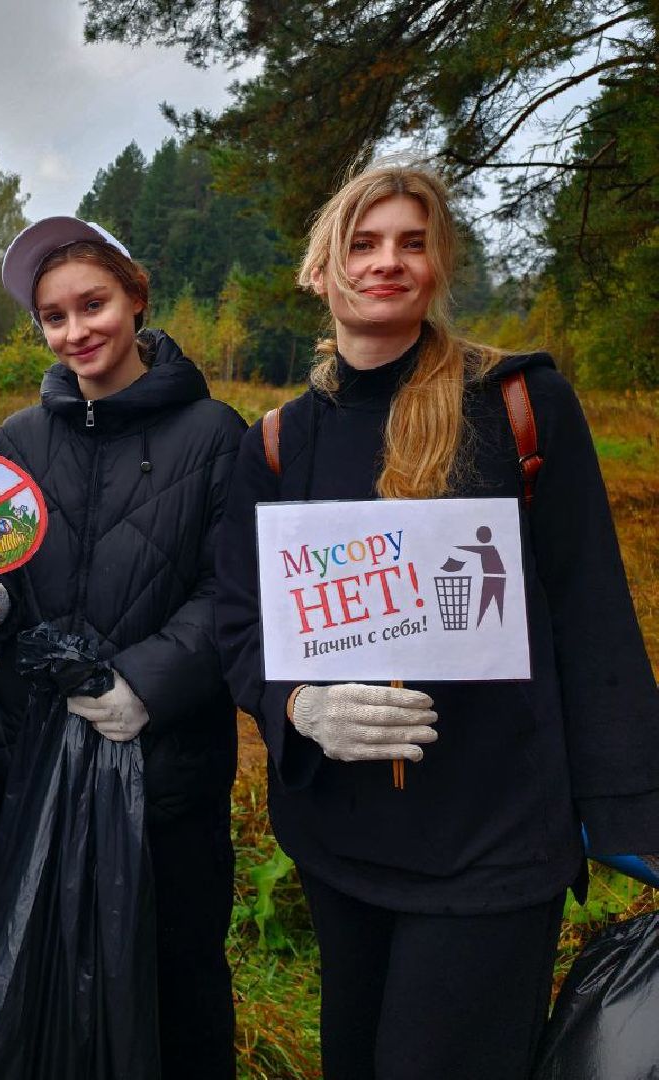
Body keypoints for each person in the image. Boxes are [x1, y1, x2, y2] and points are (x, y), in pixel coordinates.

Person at [214, 161, 659, 1079]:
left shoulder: (520, 406)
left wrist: (633, 810)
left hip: (496, 837)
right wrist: (298, 705)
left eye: (412, 244)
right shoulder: (279, 441)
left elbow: (591, 610)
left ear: (438, 265)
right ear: (320, 271)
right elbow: (238, 621)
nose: (388, 262)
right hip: (342, 842)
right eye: (363, 244)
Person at [0, 217, 246, 1076]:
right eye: (54, 316)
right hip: (37, 768)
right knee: (34, 987)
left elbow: (233, 591)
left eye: (94, 305)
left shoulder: (214, 435)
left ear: (136, 299)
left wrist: (146, 685)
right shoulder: (17, 442)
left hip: (164, 776)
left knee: (172, 988)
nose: (76, 330)